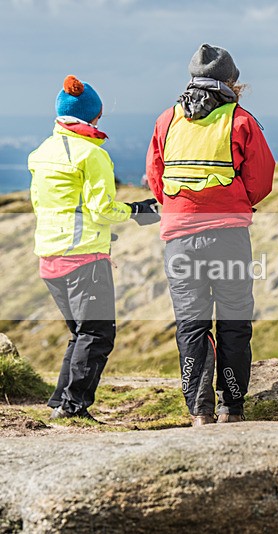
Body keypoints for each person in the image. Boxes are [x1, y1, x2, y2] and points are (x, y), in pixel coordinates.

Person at [146, 44, 275, 426]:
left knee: (191, 325)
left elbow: (156, 177)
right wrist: (235, 202)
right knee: (234, 323)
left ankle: (199, 412)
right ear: (232, 83)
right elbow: (261, 180)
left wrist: (180, 208)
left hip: (179, 239)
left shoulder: (167, 120)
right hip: (228, 238)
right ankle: (231, 408)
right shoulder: (240, 120)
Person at [29, 75, 160, 422]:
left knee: (81, 333)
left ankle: (60, 402)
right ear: (94, 115)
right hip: (83, 258)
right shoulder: (92, 154)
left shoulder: (41, 153)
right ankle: (73, 408)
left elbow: (51, 205)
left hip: (49, 256)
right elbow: (102, 210)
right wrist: (136, 211)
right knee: (98, 334)